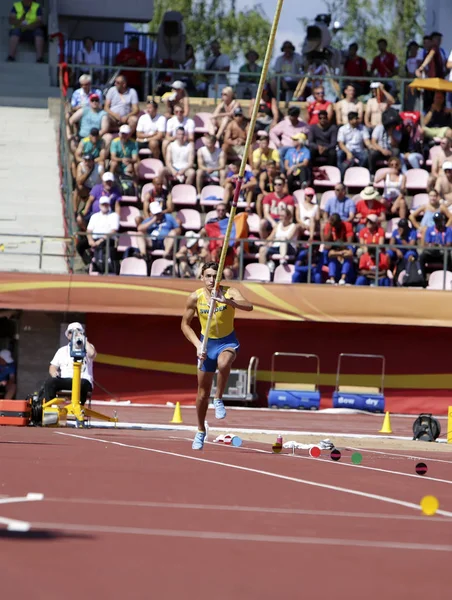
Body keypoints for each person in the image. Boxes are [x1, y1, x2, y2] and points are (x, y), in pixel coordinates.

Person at [181, 262, 253, 450]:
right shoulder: (195, 298)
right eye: (209, 276)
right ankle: (200, 430)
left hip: (227, 342)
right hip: (206, 344)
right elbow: (185, 325)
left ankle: (219, 398)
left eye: (216, 276)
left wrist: (227, 301)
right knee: (202, 394)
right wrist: (198, 345)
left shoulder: (229, 291)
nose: (212, 280)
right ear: (202, 277)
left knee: (224, 363)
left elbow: (249, 306)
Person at [44, 323, 96, 423]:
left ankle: (79, 412)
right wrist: (54, 373)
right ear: (67, 335)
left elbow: (92, 354)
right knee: (50, 382)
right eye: (71, 332)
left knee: (83, 384)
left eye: (77, 331)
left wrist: (82, 339)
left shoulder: (88, 347)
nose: (74, 334)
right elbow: (53, 366)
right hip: (66, 380)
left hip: (83, 380)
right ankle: (50, 415)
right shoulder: (62, 350)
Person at [269, 106, 309, 170]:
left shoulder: (303, 125)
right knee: (279, 152)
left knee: (307, 152)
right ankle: (283, 171)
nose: (292, 118)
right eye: (291, 116)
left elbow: (308, 134)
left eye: (293, 116)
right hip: (286, 146)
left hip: (300, 147)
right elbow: (272, 132)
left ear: (297, 116)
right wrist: (278, 143)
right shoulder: (284, 123)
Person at [259, 208, 298, 272]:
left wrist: (275, 239)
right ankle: (262, 271)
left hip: (289, 248)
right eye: (279, 216)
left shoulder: (294, 226)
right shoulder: (277, 226)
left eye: (282, 216)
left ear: (288, 216)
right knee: (262, 249)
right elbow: (270, 238)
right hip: (277, 247)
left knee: (283, 239)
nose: (280, 218)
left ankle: (283, 259)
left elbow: (288, 238)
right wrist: (265, 243)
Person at [419, 211, 452, 280]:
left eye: (439, 220)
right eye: (436, 221)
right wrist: (433, 245)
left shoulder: (448, 230)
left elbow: (449, 244)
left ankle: (447, 278)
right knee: (422, 256)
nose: (438, 222)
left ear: (443, 221)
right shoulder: (430, 229)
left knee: (447, 256)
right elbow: (426, 243)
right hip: (432, 252)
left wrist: (441, 246)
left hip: (442, 253)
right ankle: (422, 279)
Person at [337, 111, 371, 177]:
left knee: (366, 156)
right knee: (339, 154)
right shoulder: (342, 129)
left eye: (357, 118)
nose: (356, 120)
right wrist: (348, 153)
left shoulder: (363, 128)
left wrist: (370, 146)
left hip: (359, 150)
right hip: (347, 149)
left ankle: (360, 173)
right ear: (350, 120)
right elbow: (341, 144)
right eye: (355, 119)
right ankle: (340, 175)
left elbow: (366, 141)